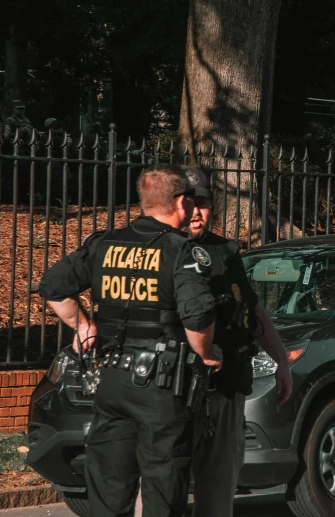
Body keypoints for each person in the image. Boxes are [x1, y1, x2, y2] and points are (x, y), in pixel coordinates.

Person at [38, 163, 223, 517]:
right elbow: (198, 316)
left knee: (109, 486)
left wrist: (83, 327)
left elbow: (53, 287)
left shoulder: (104, 244)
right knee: (163, 483)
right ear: (181, 203)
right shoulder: (182, 251)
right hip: (162, 389)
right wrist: (207, 354)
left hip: (110, 382)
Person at [183, 166, 293, 517]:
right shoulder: (160, 250)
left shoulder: (224, 253)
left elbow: (253, 309)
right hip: (173, 389)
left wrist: (282, 361)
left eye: (203, 203)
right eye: (189, 202)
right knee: (159, 487)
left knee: (218, 488)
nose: (196, 211)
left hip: (224, 388)